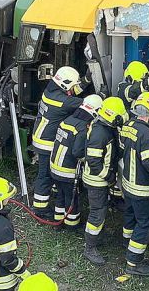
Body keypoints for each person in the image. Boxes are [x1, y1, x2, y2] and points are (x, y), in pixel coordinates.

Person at [119, 92, 149, 277]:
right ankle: (134, 262)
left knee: (130, 216)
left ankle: (127, 243)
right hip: (142, 188)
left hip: (127, 184)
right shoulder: (146, 133)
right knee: (146, 224)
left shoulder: (128, 125)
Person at [30, 66, 84, 218]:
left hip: (41, 138)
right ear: (65, 84)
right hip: (46, 143)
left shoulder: (50, 90)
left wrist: (85, 82)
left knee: (48, 173)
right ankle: (40, 209)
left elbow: (71, 94)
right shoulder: (62, 101)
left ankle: (52, 197)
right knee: (45, 175)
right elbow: (80, 103)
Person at [79, 97, 127, 266]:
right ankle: (90, 247)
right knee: (97, 213)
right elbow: (93, 161)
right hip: (96, 181)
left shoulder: (105, 127)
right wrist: (108, 176)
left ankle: (96, 237)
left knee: (101, 210)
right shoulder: (100, 132)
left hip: (99, 180)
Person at [49, 94, 102, 228]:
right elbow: (77, 152)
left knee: (60, 195)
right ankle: (72, 224)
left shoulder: (67, 120)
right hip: (67, 171)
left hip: (54, 167)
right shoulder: (83, 128)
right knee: (72, 198)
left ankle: (58, 221)